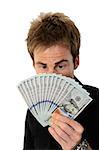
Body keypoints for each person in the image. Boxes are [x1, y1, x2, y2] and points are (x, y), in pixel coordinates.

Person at [23, 12, 99, 150]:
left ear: (76, 61)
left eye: (60, 66)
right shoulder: (33, 113)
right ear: (34, 65)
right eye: (43, 66)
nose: (52, 76)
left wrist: (79, 147)